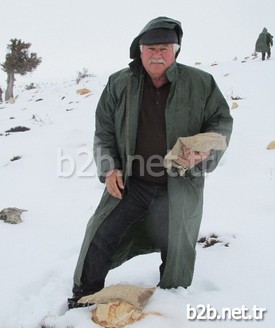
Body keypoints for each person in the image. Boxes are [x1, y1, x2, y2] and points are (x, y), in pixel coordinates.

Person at [68, 16, 233, 309]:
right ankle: (83, 296)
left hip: (179, 185)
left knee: (176, 250)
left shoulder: (201, 82)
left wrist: (205, 150)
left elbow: (221, 121)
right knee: (100, 234)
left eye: (165, 48)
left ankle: (171, 304)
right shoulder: (120, 83)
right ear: (139, 50)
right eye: (150, 48)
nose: (157, 54)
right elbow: (103, 130)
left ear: (176, 50)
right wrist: (109, 167)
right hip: (133, 183)